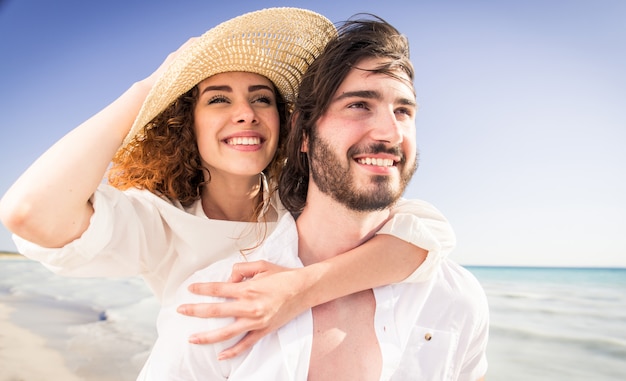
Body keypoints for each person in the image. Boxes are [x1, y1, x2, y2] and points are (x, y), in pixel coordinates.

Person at [0, 7, 454, 364]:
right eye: (219, 99)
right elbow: (30, 214)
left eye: (262, 99)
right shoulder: (158, 220)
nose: (246, 113)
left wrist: (301, 288)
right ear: (186, 125)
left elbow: (425, 235)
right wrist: (150, 87)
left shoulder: (301, 201)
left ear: (288, 124)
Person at [141, 14, 488, 381]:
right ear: (304, 135)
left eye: (403, 111)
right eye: (359, 105)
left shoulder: (457, 298)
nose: (390, 132)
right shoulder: (217, 306)